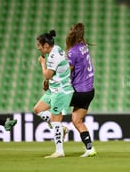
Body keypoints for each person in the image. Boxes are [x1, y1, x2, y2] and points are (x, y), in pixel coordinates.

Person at [36, 30, 74, 158]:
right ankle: (61, 129)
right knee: (38, 109)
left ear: (46, 46)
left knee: (55, 119)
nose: (38, 48)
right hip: (53, 88)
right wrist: (48, 81)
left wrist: (42, 63)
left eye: (39, 45)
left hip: (61, 91)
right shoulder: (57, 49)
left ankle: (59, 151)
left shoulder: (53, 56)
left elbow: (47, 74)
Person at [65, 23, 96, 157]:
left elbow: (67, 74)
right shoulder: (84, 46)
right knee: (77, 120)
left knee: (53, 102)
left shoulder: (72, 52)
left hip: (80, 91)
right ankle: (90, 148)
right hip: (89, 91)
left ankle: (59, 128)